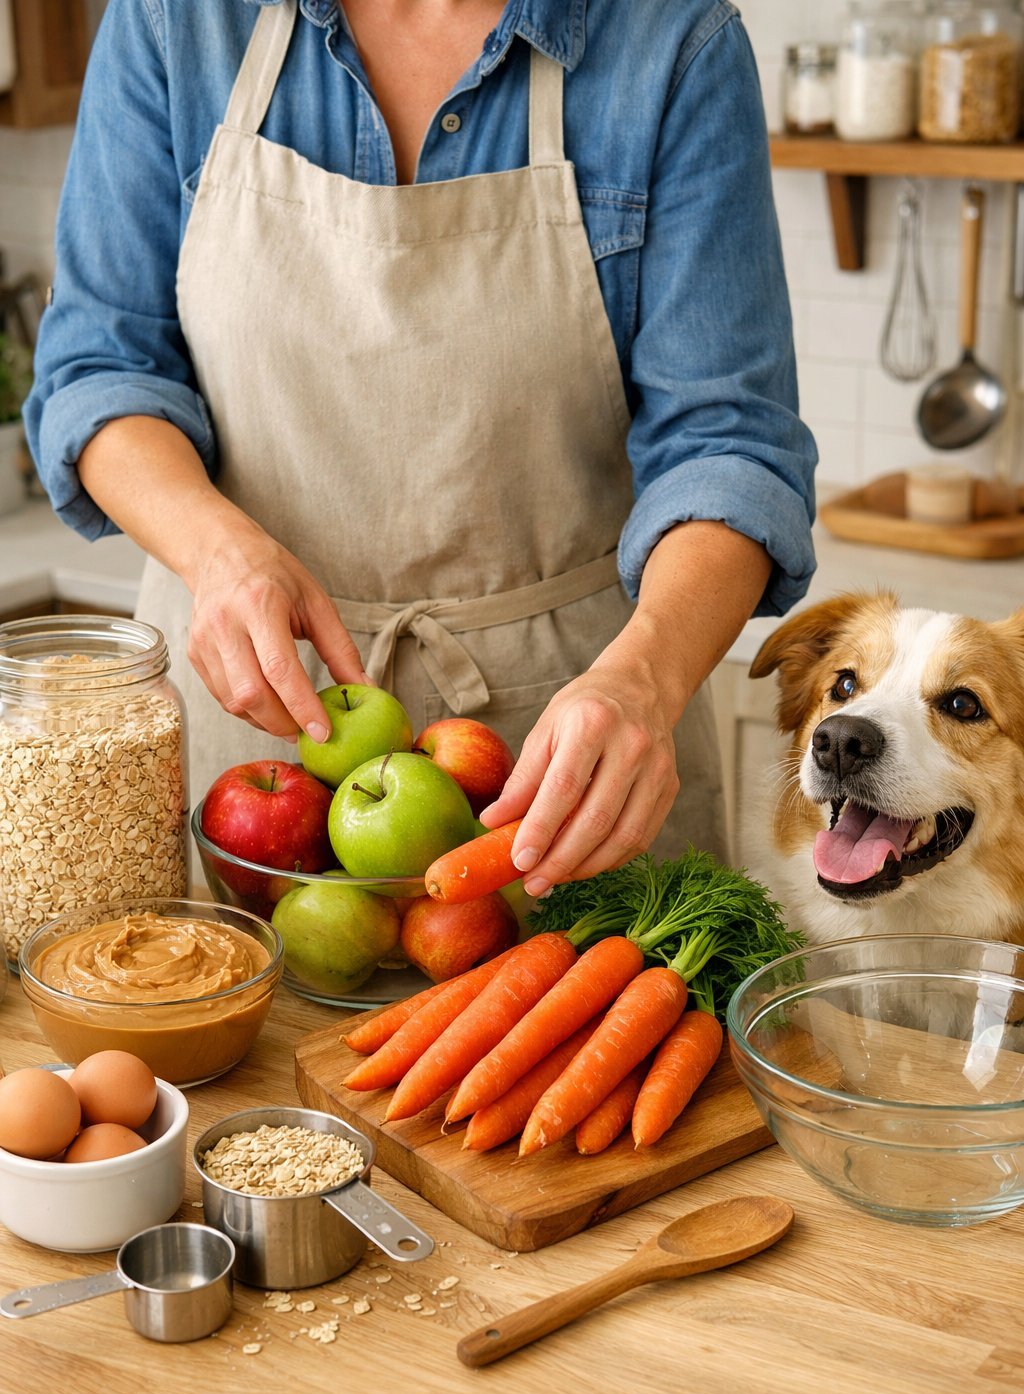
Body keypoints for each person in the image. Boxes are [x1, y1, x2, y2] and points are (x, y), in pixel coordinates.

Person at [25, 0, 817, 900]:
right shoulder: (180, 19)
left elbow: (731, 447)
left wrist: (647, 679)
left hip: (566, 765)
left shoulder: (672, 43)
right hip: (248, 737)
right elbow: (99, 367)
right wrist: (218, 550)